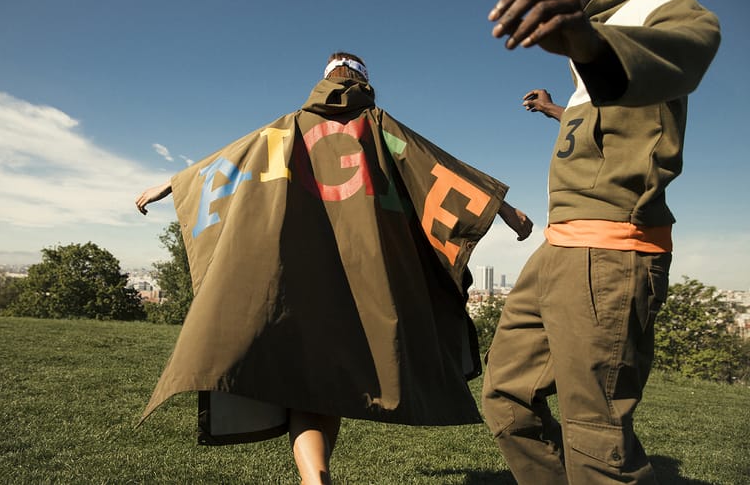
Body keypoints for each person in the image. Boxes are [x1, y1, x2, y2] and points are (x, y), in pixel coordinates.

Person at [136, 52, 533, 485]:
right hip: (364, 285)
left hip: (296, 279)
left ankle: (314, 476)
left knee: (311, 381)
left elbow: (228, 164)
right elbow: (438, 171)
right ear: (365, 81)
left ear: (323, 80)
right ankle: (315, 476)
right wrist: (506, 210)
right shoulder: (382, 130)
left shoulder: (287, 129)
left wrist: (171, 184)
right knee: (325, 381)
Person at [481, 0, 720, 484]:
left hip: (609, 246)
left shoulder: (656, 5)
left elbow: (692, 47)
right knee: (505, 398)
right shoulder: (584, 62)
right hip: (557, 246)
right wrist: (554, 109)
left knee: (595, 434)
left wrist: (588, 43)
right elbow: (606, 125)